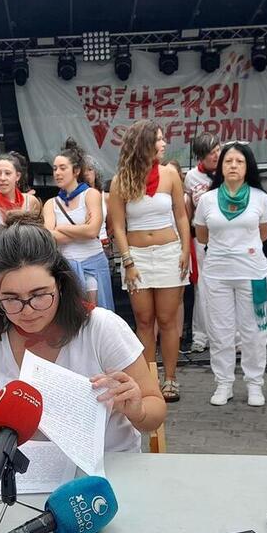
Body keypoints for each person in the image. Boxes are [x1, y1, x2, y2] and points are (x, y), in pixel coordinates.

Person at [0, 214, 166, 454]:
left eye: (39, 295)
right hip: (27, 469)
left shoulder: (101, 327)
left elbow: (155, 412)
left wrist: (137, 410)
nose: (27, 311)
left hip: (105, 468)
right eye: (11, 299)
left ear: (60, 284)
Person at [108, 120, 191, 402]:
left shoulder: (170, 175)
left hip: (169, 252)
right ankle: (148, 379)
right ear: (144, 143)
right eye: (158, 139)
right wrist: (128, 262)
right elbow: (118, 226)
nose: (164, 143)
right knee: (144, 321)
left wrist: (185, 251)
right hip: (137, 256)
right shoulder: (121, 180)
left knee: (167, 320)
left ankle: (170, 379)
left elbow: (181, 215)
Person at [192, 142, 267, 406]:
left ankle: (254, 384)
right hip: (217, 274)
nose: (233, 166)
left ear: (247, 165)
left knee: (254, 332)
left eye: (239, 161)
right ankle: (223, 383)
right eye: (228, 161)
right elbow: (202, 235)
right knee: (220, 331)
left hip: (252, 272)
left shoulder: (261, 198)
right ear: (221, 166)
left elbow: (264, 233)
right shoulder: (207, 199)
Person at [43, 138, 113, 309]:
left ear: (75, 171)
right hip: (67, 267)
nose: (57, 173)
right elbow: (49, 238)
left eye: (62, 168)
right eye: (54, 169)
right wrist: (80, 229)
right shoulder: (51, 203)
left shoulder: (91, 195)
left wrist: (62, 228)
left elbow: (92, 231)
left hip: (94, 264)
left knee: (99, 318)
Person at [183, 133, 220, 352]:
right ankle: (200, 335)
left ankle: (233, 337)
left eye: (217, 150)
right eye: (210, 153)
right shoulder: (192, 178)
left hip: (226, 238)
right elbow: (188, 211)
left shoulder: (228, 169)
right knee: (202, 288)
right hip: (201, 238)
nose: (216, 156)